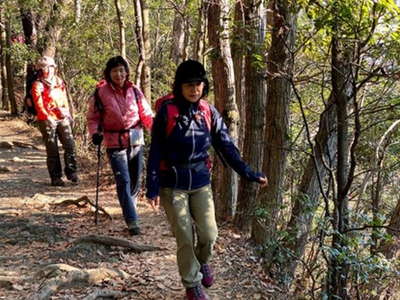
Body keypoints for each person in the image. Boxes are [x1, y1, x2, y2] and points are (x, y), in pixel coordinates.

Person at [146, 59, 268, 300]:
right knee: (184, 236)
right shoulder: (167, 111)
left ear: (204, 85)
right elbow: (156, 150)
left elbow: (226, 146)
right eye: (189, 85)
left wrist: (248, 172)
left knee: (209, 235)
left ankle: (202, 262)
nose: (194, 89)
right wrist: (152, 187)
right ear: (179, 86)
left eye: (198, 84)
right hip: (173, 182)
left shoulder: (207, 112)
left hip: (200, 181)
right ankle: (192, 285)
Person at [87, 56, 153, 235]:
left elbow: (146, 113)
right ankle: (132, 221)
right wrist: (95, 134)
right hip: (114, 141)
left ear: (127, 72)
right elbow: (93, 118)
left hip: (136, 138)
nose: (119, 74)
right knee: (123, 180)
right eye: (115, 70)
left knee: (135, 180)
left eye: (122, 70)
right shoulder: (101, 93)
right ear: (109, 73)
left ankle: (130, 209)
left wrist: (155, 129)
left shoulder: (135, 91)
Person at [31, 56, 78, 186]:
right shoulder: (37, 85)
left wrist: (68, 113)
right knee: (52, 149)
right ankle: (56, 177)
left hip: (62, 117)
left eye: (52, 66)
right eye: (46, 67)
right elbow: (38, 104)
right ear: (40, 69)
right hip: (46, 120)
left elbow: (64, 98)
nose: (49, 69)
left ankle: (71, 171)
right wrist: (47, 117)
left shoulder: (58, 81)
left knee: (70, 145)